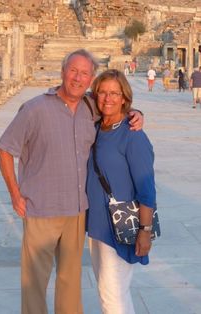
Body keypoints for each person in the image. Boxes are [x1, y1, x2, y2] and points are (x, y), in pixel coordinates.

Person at [0, 49, 143, 314]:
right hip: (41, 210)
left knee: (70, 283)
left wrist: (137, 113)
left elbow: (115, 108)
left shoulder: (91, 107)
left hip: (76, 212)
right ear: (63, 72)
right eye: (73, 71)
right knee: (34, 284)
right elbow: (5, 148)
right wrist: (15, 194)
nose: (78, 78)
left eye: (84, 73)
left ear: (90, 80)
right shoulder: (35, 109)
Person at [86, 69, 156, 314]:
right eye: (102, 92)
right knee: (107, 293)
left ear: (125, 98)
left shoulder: (133, 135)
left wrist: (145, 232)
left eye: (114, 93)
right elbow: (73, 93)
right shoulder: (97, 126)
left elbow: (147, 189)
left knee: (113, 297)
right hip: (96, 226)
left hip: (119, 227)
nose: (108, 98)